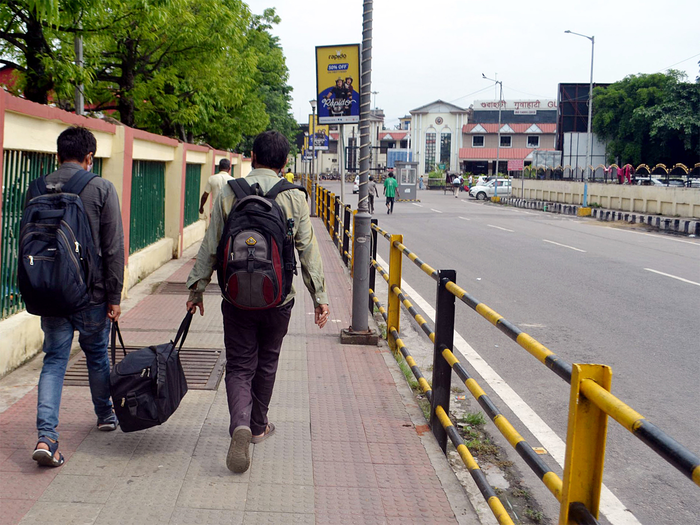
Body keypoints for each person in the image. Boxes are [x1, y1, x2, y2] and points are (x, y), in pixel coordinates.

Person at [186, 131, 329, 474]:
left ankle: (240, 423)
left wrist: (196, 288)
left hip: (235, 298)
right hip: (278, 299)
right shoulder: (294, 197)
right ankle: (259, 424)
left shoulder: (228, 191)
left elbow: (211, 243)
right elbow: (308, 250)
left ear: (251, 156)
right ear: (284, 163)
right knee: (267, 361)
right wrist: (320, 297)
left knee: (238, 365)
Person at [28, 126, 125, 467]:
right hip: (91, 294)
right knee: (97, 355)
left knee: (54, 360)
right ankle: (105, 415)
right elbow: (113, 247)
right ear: (89, 158)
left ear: (58, 156)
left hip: (50, 291)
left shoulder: (37, 188)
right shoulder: (100, 187)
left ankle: (46, 436)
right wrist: (114, 295)